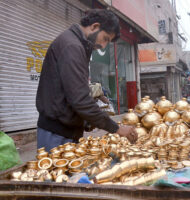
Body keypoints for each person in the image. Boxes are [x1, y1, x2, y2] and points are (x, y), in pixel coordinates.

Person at [36, 9, 137, 152]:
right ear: (95, 26)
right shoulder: (72, 46)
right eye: (105, 38)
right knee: (55, 174)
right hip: (56, 134)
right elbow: (80, 99)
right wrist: (116, 128)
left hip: (66, 131)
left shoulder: (79, 45)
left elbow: (74, 90)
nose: (103, 46)